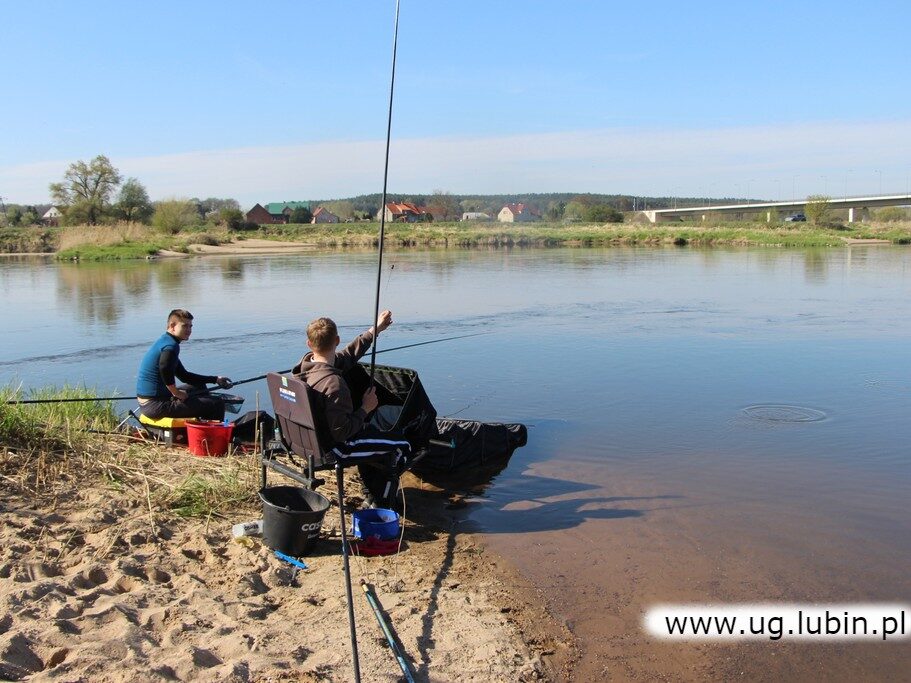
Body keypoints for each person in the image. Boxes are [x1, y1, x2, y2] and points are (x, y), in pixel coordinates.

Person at [293, 310, 410, 507]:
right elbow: (343, 432)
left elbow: (348, 355)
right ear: (337, 340)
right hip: (335, 450)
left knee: (372, 434)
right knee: (401, 445)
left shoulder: (305, 368)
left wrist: (375, 330)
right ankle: (382, 501)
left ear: (309, 344)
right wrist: (365, 408)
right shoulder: (334, 384)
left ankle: (371, 489)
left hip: (309, 444)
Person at [136, 309, 232, 421]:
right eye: (185, 326)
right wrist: (176, 392)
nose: (189, 330)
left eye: (190, 326)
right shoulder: (171, 346)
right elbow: (164, 367)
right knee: (217, 404)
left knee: (199, 386)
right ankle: (211, 431)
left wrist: (215, 379)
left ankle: (201, 424)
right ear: (172, 326)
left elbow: (184, 376)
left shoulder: (165, 341)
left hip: (151, 402)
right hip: (155, 405)